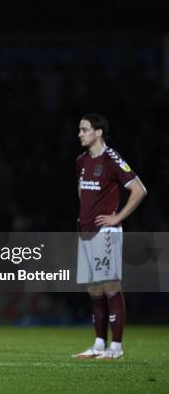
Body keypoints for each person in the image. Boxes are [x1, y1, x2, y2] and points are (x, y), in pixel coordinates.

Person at [72, 114, 146, 360]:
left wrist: (117, 217)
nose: (80, 134)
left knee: (110, 286)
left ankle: (117, 347)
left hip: (106, 232)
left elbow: (139, 189)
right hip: (87, 230)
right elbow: (83, 191)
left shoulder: (112, 158)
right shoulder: (81, 161)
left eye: (84, 130)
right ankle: (99, 345)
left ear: (98, 132)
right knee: (93, 290)